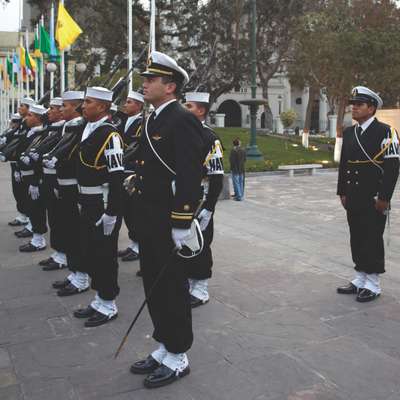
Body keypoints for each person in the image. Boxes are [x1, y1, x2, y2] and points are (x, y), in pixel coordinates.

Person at [127, 51, 204, 388]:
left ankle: (178, 356)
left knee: (171, 288)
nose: (143, 84)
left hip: (168, 219)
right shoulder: (153, 118)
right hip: (148, 216)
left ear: (170, 86)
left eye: (150, 80)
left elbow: (190, 174)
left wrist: (181, 221)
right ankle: (164, 345)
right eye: (144, 79)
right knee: (153, 285)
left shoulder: (182, 119)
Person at [337, 86, 399, 302]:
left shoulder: (387, 132)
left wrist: (384, 198)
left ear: (371, 108)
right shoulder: (349, 132)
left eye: (359, 104)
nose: (353, 108)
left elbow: (392, 168)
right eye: (353, 104)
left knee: (372, 238)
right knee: (356, 236)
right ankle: (360, 277)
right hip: (353, 196)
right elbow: (344, 165)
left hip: (374, 197)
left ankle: (373, 283)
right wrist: (342, 192)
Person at [72, 86, 124, 327]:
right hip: (87, 200)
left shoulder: (110, 135)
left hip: (101, 203)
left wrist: (112, 212)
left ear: (102, 107)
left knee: (105, 254)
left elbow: (116, 177)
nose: (83, 106)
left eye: (88, 102)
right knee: (91, 251)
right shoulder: (88, 128)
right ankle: (99, 298)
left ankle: (109, 303)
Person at [45, 91, 90, 295]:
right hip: (63, 184)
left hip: (74, 187)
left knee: (75, 232)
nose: (61, 109)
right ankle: (74, 271)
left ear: (76, 107)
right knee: (66, 228)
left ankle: (82, 276)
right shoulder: (69, 126)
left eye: (65, 105)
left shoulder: (80, 126)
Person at [184, 91, 224, 307]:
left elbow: (217, 176)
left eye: (188, 106)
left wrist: (209, 208)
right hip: (181, 197)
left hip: (200, 200)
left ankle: (201, 289)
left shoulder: (210, 138)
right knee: (184, 243)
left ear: (201, 110)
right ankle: (190, 281)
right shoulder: (182, 134)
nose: (184, 109)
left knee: (200, 243)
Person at [36, 98, 67, 269]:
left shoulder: (65, 128)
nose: (50, 111)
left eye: (53, 108)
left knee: (60, 218)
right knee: (53, 217)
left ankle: (63, 255)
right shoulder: (52, 128)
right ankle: (58, 252)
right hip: (47, 176)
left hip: (57, 178)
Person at [17, 104, 49, 252]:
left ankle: (38, 240)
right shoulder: (30, 132)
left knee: (37, 208)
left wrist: (36, 181)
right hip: (26, 175)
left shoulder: (42, 134)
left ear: (38, 118)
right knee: (30, 205)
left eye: (30, 115)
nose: (26, 118)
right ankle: (33, 231)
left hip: (34, 177)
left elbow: (39, 161)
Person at [118, 90, 144, 264]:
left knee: (135, 211)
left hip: (133, 172)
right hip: (122, 170)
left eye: (129, 102)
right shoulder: (123, 121)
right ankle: (133, 242)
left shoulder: (143, 123)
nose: (125, 105)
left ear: (139, 105)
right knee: (127, 211)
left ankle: (139, 246)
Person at [6, 98, 35, 229]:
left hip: (24, 164)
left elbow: (24, 146)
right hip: (16, 162)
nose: (19, 108)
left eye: (22, 106)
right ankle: (23, 214)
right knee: (17, 191)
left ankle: (29, 218)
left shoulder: (29, 125)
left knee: (25, 192)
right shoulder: (22, 122)